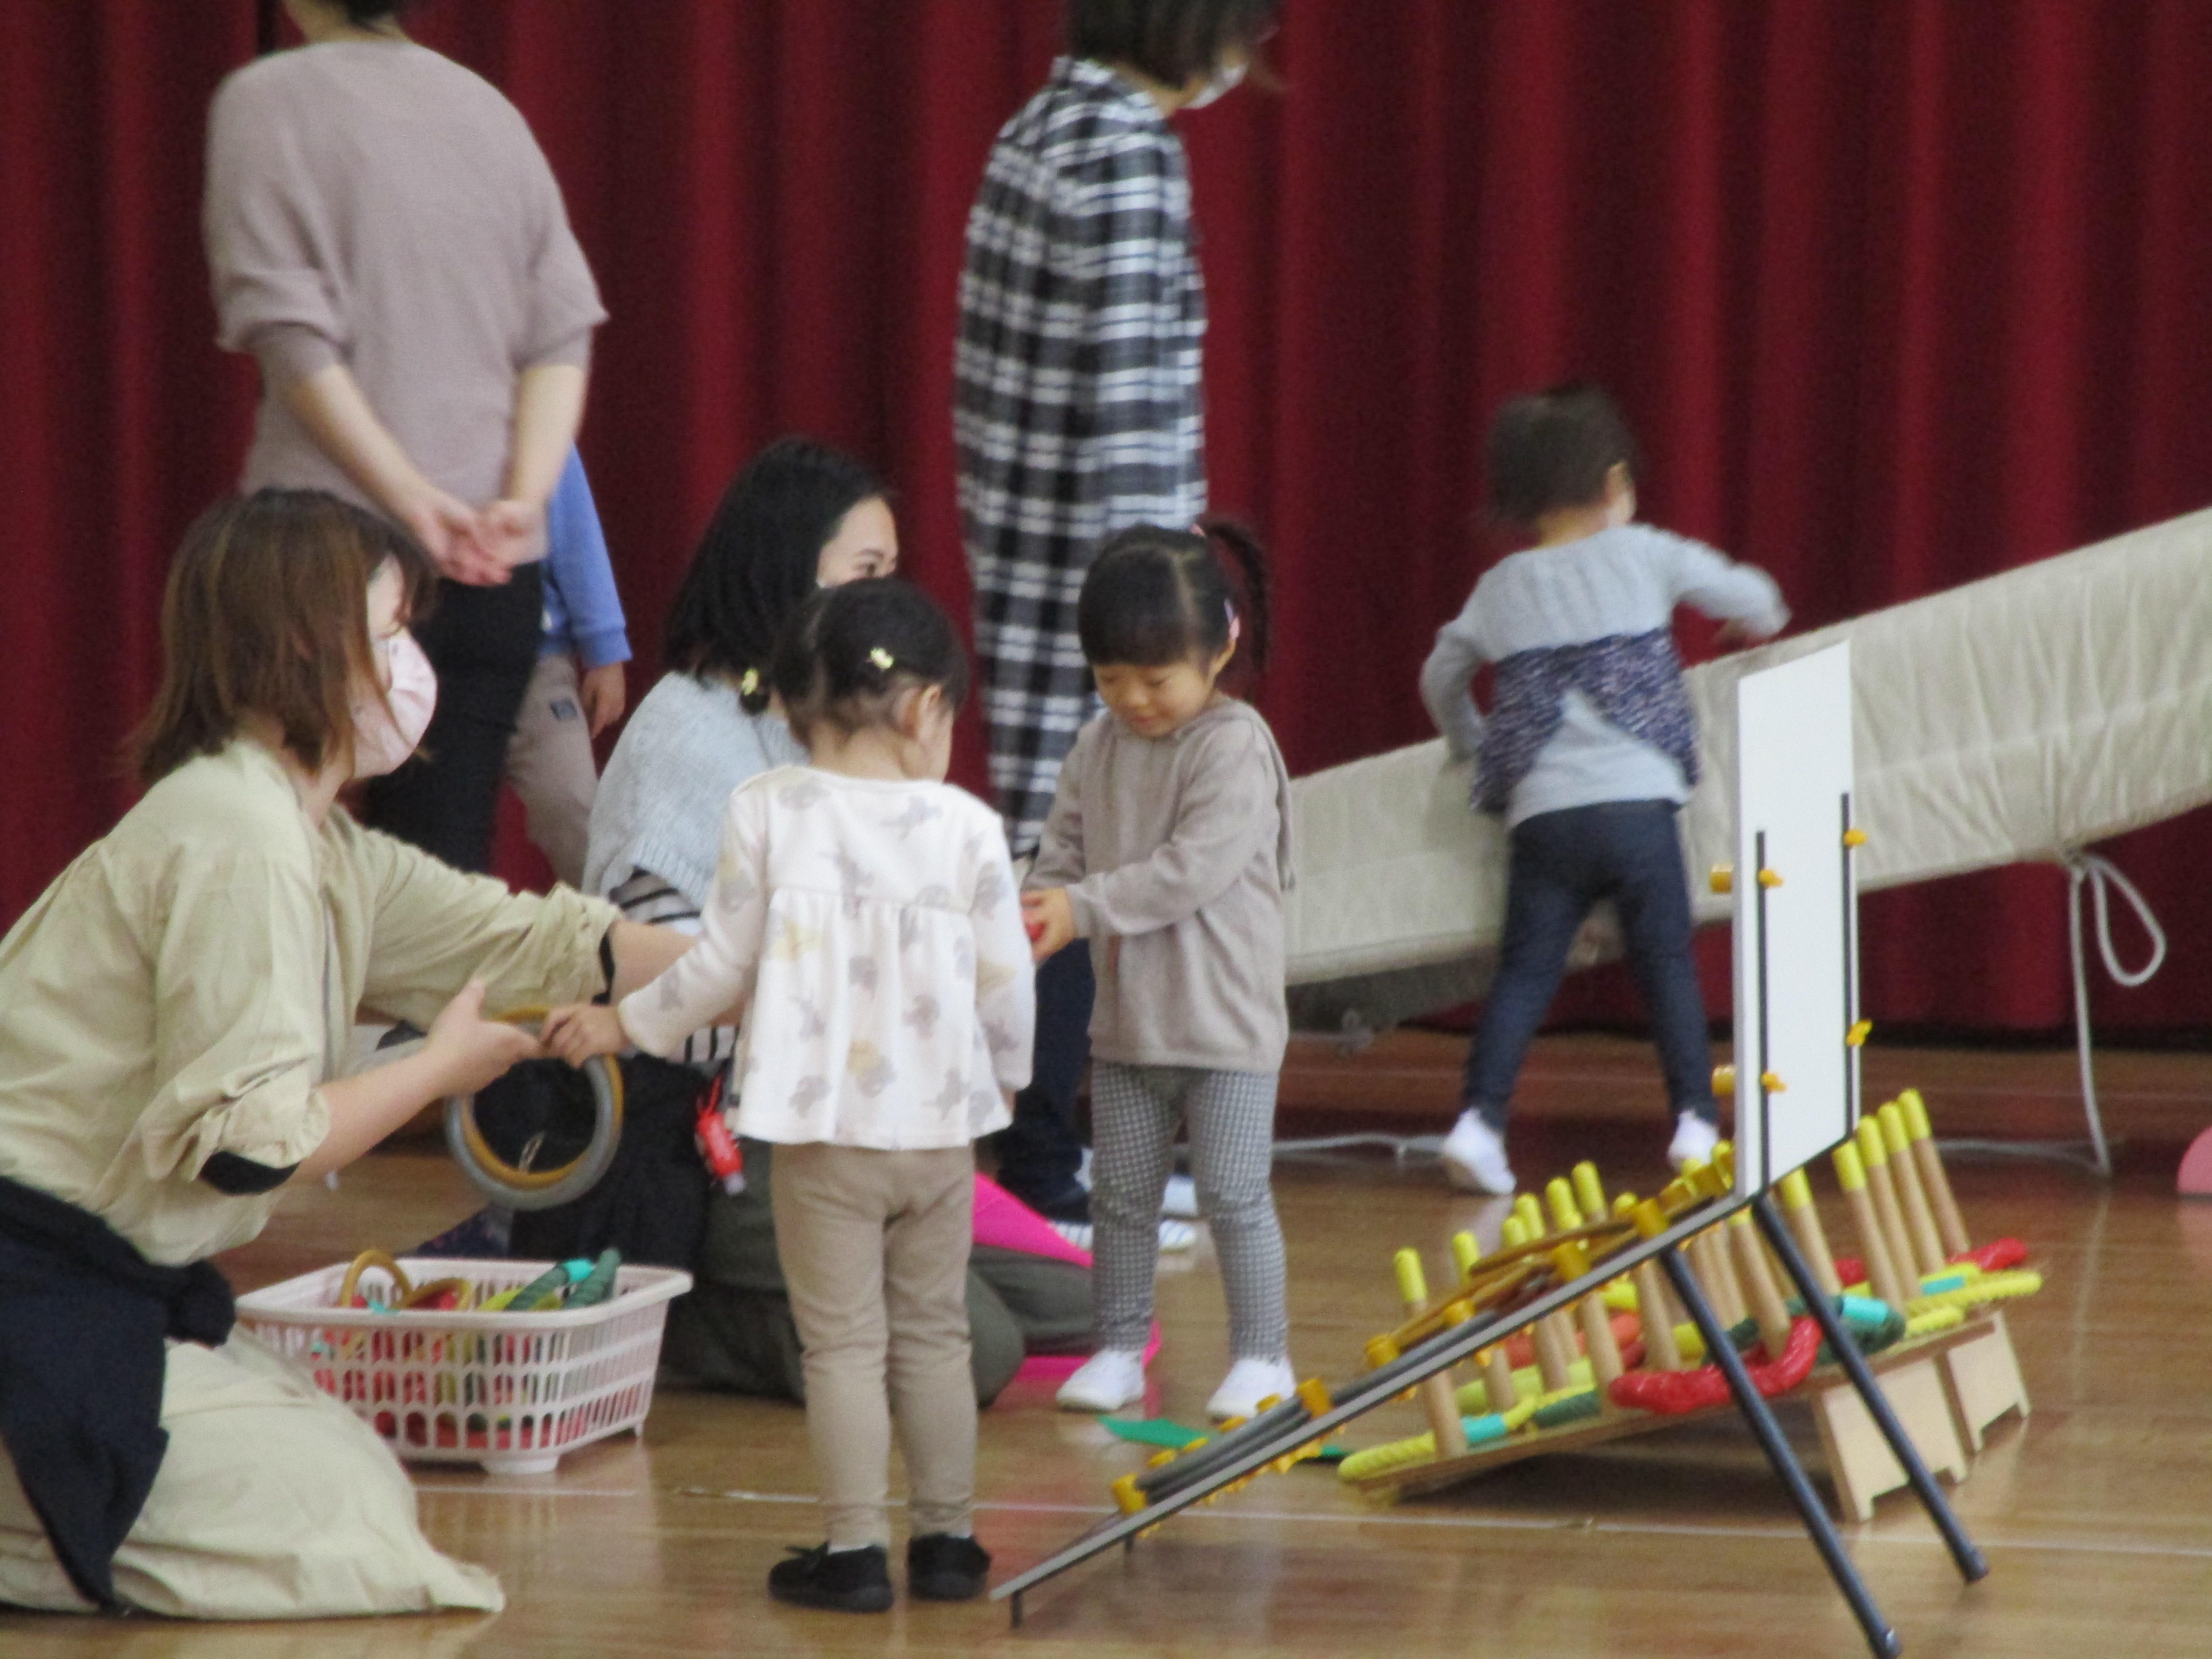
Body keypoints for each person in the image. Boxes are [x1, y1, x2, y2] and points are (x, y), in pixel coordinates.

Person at [0, 490, 690, 1619]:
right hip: (32, 1273)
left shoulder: (312, 838)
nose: (415, 665)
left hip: (95, 1279)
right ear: (303, 650)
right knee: (341, 1511)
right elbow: (247, 1152)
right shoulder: (240, 834)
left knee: (348, 1466)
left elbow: (542, 942)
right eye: (390, 635)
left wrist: (771, 961)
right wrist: (436, 1067)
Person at [549, 437, 1085, 1403]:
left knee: (1089, 1307)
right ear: (786, 565)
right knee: (974, 1349)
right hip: (725, 1135)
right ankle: (665, 1326)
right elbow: (675, 994)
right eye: (863, 572)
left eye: (889, 573)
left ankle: (838, 1299)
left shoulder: (804, 723)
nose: (880, 602)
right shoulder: (686, 737)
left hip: (861, 1108)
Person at [547, 580, 1033, 1614]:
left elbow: (715, 972)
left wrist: (623, 1025)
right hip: (940, 1136)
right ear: (918, 709)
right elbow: (1008, 987)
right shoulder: (969, 828)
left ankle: (855, 1554)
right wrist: (1006, 1087)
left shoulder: (768, 811)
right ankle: (949, 1545)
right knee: (937, 1335)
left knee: (846, 1345)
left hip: (822, 1139)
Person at [953, 0, 1279, 1226]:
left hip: (1031, 566)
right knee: (1090, 886)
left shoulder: (1032, 127)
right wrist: (1173, 629)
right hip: (1110, 596)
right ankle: (1050, 1178)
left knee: (1050, 868)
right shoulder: (1131, 154)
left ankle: (1049, 1165)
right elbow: (1138, 418)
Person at [204, 0, 604, 874]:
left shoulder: (267, 99)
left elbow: (290, 335)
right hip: (490, 567)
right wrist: (517, 503)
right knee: (436, 877)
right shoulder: (491, 113)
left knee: (260, 851)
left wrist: (409, 500)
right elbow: (561, 335)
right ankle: (424, 1021)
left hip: (316, 562)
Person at [1419, 384, 1791, 1196]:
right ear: (1616, 481)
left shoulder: (1500, 586)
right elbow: (1760, 600)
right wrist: (1744, 626)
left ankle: (1478, 1122)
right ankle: (1694, 1121)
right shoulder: (1647, 551)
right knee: (1664, 960)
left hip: (1542, 817)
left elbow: (1441, 673)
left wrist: (1469, 744)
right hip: (1637, 807)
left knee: (1523, 971)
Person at [1023, 522, 1297, 1423]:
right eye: (1110, 680)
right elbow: (1060, 845)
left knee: (1230, 1193)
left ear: (1219, 649)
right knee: (1121, 1197)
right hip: (1131, 1025)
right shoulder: (1096, 747)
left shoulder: (1234, 746)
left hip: (1224, 1027)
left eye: (1155, 679)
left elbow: (1190, 869)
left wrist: (1080, 909)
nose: (1133, 700)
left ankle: (1263, 1357)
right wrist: (1035, 904)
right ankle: (1116, 1346)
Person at [504, 448, 630, 888]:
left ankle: (618, 934)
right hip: (430, 660)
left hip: (538, 662)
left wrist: (604, 648)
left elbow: (576, 531)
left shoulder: (531, 402)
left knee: (573, 802)